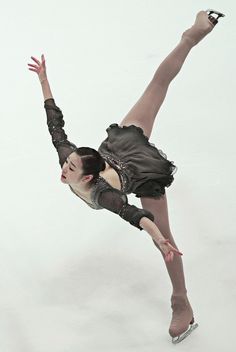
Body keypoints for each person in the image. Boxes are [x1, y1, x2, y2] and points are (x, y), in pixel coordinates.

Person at [28, 9, 224, 343]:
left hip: (140, 170)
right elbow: (55, 126)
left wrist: (157, 237)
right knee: (157, 85)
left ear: (89, 179)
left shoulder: (105, 194)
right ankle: (190, 38)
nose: (64, 168)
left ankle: (181, 302)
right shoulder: (72, 157)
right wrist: (44, 80)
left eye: (71, 168)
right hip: (119, 147)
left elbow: (134, 214)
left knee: (167, 242)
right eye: (67, 164)